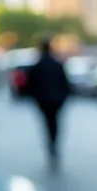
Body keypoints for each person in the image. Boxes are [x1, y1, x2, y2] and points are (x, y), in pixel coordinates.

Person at [20, 39, 71, 169]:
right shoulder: (57, 64)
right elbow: (66, 84)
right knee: (55, 123)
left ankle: (51, 146)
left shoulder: (37, 66)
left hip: (43, 101)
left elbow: (29, 85)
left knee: (48, 123)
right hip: (56, 100)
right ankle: (54, 145)